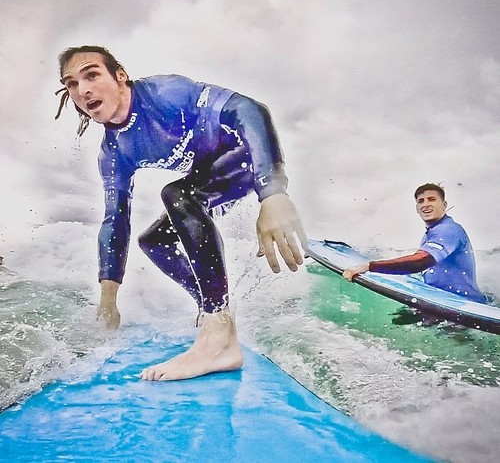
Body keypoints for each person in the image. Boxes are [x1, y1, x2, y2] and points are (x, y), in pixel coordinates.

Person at [55, 45, 307, 381]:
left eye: (91, 75)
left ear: (120, 76)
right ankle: (210, 308)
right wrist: (108, 297)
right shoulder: (114, 152)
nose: (82, 90)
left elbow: (249, 109)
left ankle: (218, 333)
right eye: (72, 83)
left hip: (251, 151)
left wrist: (272, 192)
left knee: (176, 195)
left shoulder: (164, 93)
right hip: (213, 176)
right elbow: (116, 220)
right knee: (154, 241)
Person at [342, 183, 487, 303]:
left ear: (444, 205)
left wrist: (369, 266)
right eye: (421, 201)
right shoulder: (433, 230)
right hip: (442, 300)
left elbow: (422, 261)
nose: (426, 204)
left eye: (432, 199)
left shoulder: (448, 230)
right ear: (417, 208)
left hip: (464, 306)